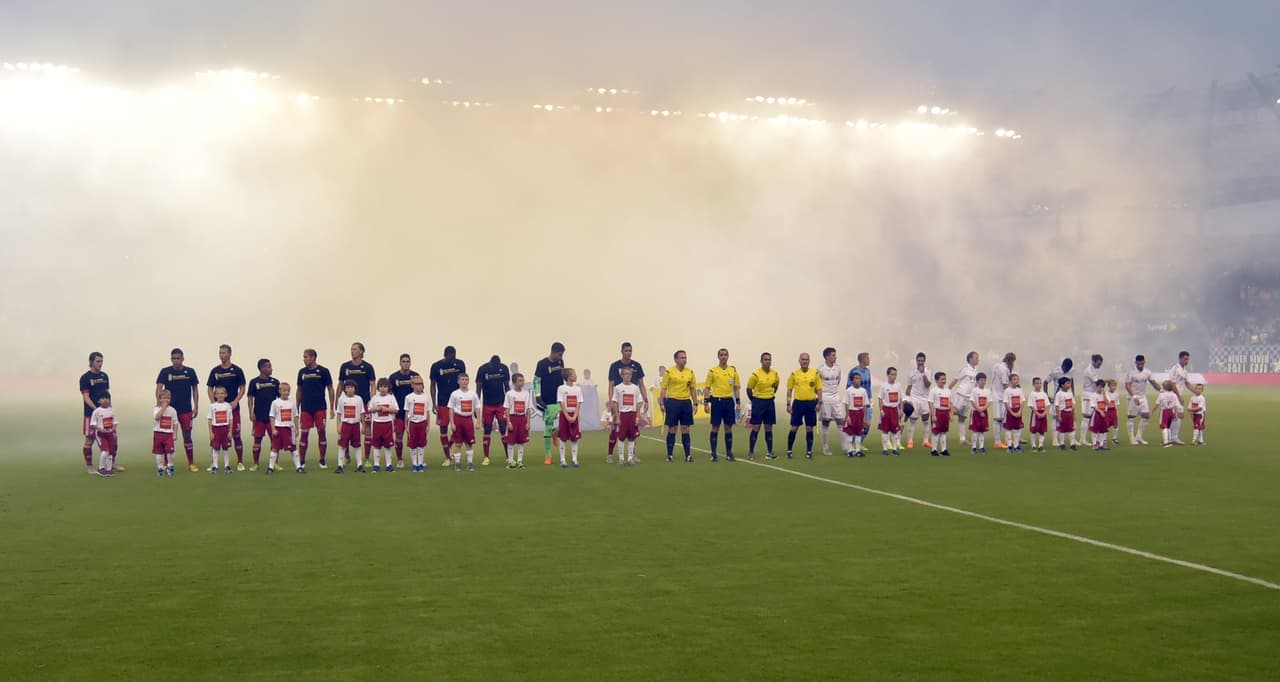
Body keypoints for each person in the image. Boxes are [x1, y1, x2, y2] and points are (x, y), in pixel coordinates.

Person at [155, 348, 200, 472]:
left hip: (185, 409)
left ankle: (191, 463)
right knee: (166, 436)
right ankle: (165, 463)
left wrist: (196, 406)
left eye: (178, 358)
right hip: (169, 410)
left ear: (182, 359)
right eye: (173, 358)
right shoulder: (165, 372)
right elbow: (159, 388)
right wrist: (160, 404)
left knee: (187, 435)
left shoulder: (190, 372)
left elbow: (195, 390)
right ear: (171, 359)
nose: (176, 361)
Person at [206, 344, 248, 470]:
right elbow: (209, 387)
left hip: (232, 409)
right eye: (220, 353)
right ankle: (214, 464)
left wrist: (236, 401)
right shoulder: (215, 371)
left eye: (224, 353)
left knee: (235, 434)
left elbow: (242, 387)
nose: (222, 355)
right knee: (216, 435)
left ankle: (240, 462)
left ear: (230, 354)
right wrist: (213, 402)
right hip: (219, 411)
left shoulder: (237, 370)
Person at [338, 342, 377, 468]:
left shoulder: (368, 367)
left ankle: (366, 459)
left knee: (367, 430)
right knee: (346, 429)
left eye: (355, 349)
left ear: (361, 351)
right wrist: (338, 399)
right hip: (347, 403)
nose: (352, 351)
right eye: (351, 349)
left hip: (364, 402)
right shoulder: (345, 366)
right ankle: (346, 457)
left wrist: (372, 400)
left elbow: (372, 384)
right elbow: (340, 384)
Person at [295, 349, 335, 471]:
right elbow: (299, 390)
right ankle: (302, 461)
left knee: (321, 432)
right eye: (304, 357)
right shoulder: (302, 372)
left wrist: (332, 407)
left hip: (320, 407)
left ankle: (322, 460)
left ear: (313, 357)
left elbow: (330, 389)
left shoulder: (323, 371)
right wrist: (297, 407)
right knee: (304, 434)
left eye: (306, 357)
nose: (304, 359)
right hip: (306, 408)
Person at [606, 343, 646, 463]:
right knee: (615, 429)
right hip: (619, 404)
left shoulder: (637, 366)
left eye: (630, 350)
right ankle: (610, 453)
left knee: (632, 431)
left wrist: (645, 399)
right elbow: (611, 385)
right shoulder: (614, 366)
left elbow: (641, 384)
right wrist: (612, 403)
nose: (628, 353)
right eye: (626, 350)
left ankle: (631, 455)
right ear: (621, 351)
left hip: (632, 405)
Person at [429, 346, 467, 465]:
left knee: (458, 429)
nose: (452, 359)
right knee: (443, 429)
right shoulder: (436, 366)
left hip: (457, 402)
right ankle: (447, 457)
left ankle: (449, 446)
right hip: (443, 402)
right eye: (450, 357)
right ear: (445, 355)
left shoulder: (460, 364)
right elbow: (433, 385)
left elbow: (463, 380)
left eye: (454, 356)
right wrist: (434, 403)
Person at [703, 348, 741, 462]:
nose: (723, 357)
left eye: (725, 355)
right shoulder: (712, 371)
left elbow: (736, 388)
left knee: (728, 427)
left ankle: (729, 453)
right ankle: (713, 453)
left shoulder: (733, 371)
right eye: (721, 355)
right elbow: (707, 388)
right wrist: (706, 403)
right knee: (715, 427)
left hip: (729, 401)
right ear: (718, 357)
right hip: (717, 401)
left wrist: (738, 403)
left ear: (728, 356)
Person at [660, 351, 697, 462]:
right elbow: (664, 389)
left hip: (685, 402)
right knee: (672, 428)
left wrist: (695, 403)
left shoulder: (690, 372)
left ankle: (688, 455)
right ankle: (670, 455)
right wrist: (662, 403)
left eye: (685, 357)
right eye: (681, 358)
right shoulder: (669, 372)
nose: (684, 360)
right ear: (676, 359)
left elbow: (693, 389)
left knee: (685, 428)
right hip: (672, 402)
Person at [533, 343, 566, 465]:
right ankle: (548, 456)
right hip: (548, 399)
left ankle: (555, 431)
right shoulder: (542, 364)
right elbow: (536, 380)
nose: (561, 356)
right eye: (560, 354)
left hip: (560, 397)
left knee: (568, 420)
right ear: (554, 352)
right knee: (548, 425)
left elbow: (562, 377)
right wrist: (538, 396)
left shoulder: (560, 362)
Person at [79, 352, 112, 474]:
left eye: (101, 361)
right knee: (89, 439)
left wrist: (109, 409)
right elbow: (86, 397)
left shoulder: (104, 376)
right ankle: (89, 467)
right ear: (91, 361)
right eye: (98, 361)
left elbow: (107, 394)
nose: (100, 364)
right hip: (91, 414)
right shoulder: (85, 378)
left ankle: (110, 465)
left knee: (110, 438)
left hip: (106, 415)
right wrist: (96, 409)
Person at [476, 354, 511, 467]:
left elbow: (507, 386)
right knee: (487, 430)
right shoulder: (483, 369)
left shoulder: (504, 368)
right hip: (487, 404)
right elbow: (478, 388)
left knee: (503, 428)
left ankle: (508, 457)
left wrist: (509, 402)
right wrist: (476, 406)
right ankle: (486, 457)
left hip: (501, 404)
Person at [245, 359, 280, 472]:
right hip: (259, 416)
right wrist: (251, 412)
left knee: (275, 441)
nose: (271, 369)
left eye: (271, 367)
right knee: (257, 441)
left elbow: (279, 399)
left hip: (272, 418)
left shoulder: (275, 382)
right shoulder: (254, 382)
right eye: (268, 367)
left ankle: (274, 463)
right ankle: (256, 463)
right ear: (262, 368)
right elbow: (250, 397)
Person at [388, 354, 422, 468]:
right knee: (399, 436)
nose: (406, 363)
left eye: (407, 361)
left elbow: (420, 392)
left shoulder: (415, 376)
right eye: (403, 361)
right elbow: (389, 395)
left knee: (416, 436)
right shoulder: (393, 377)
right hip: (400, 412)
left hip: (414, 412)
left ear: (410, 363)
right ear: (400, 363)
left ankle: (419, 460)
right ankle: (400, 459)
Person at [786, 352, 822, 459]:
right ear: (799, 361)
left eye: (806, 359)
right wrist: (788, 404)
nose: (804, 361)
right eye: (802, 359)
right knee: (794, 427)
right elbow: (789, 390)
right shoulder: (794, 374)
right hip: (798, 403)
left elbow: (819, 389)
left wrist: (819, 402)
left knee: (809, 428)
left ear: (809, 361)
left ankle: (809, 451)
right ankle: (789, 450)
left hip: (811, 403)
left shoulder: (815, 373)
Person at [746, 353, 780, 460]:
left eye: (769, 359)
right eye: (765, 359)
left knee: (768, 427)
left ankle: (770, 452)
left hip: (769, 402)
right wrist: (755, 400)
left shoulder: (775, 374)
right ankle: (751, 452)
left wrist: (769, 395)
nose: (768, 361)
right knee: (756, 427)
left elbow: (775, 387)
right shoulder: (755, 374)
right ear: (761, 361)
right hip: (758, 402)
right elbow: (749, 389)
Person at [611, 366, 646, 467]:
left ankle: (630, 458)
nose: (627, 376)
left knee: (632, 437)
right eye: (625, 374)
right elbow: (615, 402)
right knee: (621, 437)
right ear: (621, 375)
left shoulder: (635, 388)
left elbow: (639, 402)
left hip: (632, 414)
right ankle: (621, 458)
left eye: (629, 374)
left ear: (632, 375)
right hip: (623, 415)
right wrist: (617, 416)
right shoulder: (618, 388)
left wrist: (638, 416)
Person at [1123, 355, 1160, 446]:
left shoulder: (1147, 372)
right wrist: (1134, 397)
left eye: (1142, 363)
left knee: (1146, 416)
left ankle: (1139, 437)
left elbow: (1153, 383)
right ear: (1135, 362)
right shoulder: (1131, 372)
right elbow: (1127, 385)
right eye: (1139, 363)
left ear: (1144, 362)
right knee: (1131, 417)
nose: (1140, 365)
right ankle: (1132, 439)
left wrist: (1161, 390)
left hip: (1143, 397)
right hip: (1132, 397)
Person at [447, 373, 481, 471]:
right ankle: (457, 463)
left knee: (469, 443)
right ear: (458, 381)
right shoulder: (454, 394)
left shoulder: (473, 394)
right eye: (462, 379)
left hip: (468, 420)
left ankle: (470, 463)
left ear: (468, 381)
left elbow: (477, 408)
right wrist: (452, 423)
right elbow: (451, 409)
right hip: (458, 419)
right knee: (458, 443)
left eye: (466, 379)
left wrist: (478, 421)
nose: (464, 381)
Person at [334, 379, 366, 473]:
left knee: (357, 446)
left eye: (352, 387)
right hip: (345, 425)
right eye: (348, 387)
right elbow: (339, 414)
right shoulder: (341, 399)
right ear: (345, 389)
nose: (350, 389)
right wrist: (338, 425)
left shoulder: (359, 399)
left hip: (355, 425)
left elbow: (362, 413)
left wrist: (363, 425)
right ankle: (340, 465)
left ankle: (359, 465)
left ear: (355, 389)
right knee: (342, 445)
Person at [817, 347, 843, 457]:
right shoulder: (820, 369)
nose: (835, 357)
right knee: (826, 422)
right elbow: (817, 385)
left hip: (836, 397)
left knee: (840, 421)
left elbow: (838, 381)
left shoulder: (838, 368)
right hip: (825, 398)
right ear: (827, 357)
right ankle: (825, 447)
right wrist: (819, 399)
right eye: (833, 355)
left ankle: (846, 446)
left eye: (835, 355)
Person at [368, 378, 398, 472]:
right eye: (381, 386)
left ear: (388, 387)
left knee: (388, 445)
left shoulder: (391, 398)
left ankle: (389, 465)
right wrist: (377, 409)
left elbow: (396, 410)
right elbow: (369, 409)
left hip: (388, 424)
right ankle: (376, 465)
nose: (383, 388)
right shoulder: (375, 398)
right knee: (376, 445)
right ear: (378, 388)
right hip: (377, 424)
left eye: (385, 386)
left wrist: (386, 409)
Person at [504, 373, 534, 469]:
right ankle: (511, 461)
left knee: (522, 441)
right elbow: (507, 409)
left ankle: (520, 461)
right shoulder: (509, 394)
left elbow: (528, 409)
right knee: (511, 441)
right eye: (520, 381)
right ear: (514, 382)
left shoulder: (526, 394)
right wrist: (508, 422)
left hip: (522, 419)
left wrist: (528, 422)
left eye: (523, 380)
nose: (522, 382)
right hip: (513, 418)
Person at [556, 368, 585, 468]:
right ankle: (563, 460)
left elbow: (578, 403)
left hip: (575, 416)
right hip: (565, 416)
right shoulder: (561, 388)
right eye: (574, 374)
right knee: (563, 438)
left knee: (575, 439)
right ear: (568, 376)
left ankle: (574, 459)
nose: (576, 376)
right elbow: (561, 403)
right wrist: (567, 416)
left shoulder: (578, 389)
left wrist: (575, 415)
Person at [269, 382, 299, 474]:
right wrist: (273, 429)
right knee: (275, 448)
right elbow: (272, 416)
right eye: (284, 390)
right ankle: (270, 467)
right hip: (278, 428)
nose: (286, 392)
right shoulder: (275, 403)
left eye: (288, 391)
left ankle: (298, 467)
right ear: (280, 391)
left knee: (293, 448)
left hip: (289, 429)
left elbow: (295, 416)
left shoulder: (292, 403)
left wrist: (297, 428)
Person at [403, 376, 433, 472]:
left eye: (420, 384)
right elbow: (406, 413)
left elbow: (427, 412)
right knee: (413, 444)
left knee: (421, 444)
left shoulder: (426, 397)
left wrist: (428, 424)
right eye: (416, 384)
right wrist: (406, 426)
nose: (419, 386)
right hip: (412, 423)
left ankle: (420, 464)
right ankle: (414, 464)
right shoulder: (408, 397)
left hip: (422, 423)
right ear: (412, 385)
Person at [949, 351, 979, 444]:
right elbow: (955, 380)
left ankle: (962, 439)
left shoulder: (976, 371)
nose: (978, 360)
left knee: (962, 418)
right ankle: (938, 425)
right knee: (953, 412)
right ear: (970, 359)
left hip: (969, 398)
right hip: (961, 395)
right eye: (976, 358)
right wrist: (947, 390)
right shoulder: (964, 369)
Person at [904, 352, 932, 450]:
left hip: (925, 399)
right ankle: (910, 441)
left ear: (925, 361)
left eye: (922, 361)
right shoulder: (912, 373)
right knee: (912, 420)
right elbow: (908, 387)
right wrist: (906, 399)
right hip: (914, 399)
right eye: (919, 360)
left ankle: (925, 441)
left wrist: (923, 373)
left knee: (926, 421)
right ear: (916, 361)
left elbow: (928, 384)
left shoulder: (929, 371)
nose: (920, 362)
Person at [845, 352, 873, 442]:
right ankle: (852, 444)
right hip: (856, 402)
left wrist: (870, 398)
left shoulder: (868, 371)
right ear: (862, 360)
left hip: (867, 401)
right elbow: (848, 387)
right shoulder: (854, 371)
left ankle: (859, 443)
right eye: (867, 358)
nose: (869, 360)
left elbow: (869, 385)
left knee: (867, 424)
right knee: (855, 424)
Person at [841, 371, 870, 457]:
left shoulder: (863, 391)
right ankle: (850, 450)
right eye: (856, 378)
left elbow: (865, 405)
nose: (858, 380)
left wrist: (864, 417)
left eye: (859, 379)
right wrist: (847, 416)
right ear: (852, 380)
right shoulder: (849, 391)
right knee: (850, 432)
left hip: (860, 413)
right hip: (852, 413)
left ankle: (858, 450)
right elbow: (846, 403)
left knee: (859, 433)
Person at [207, 386, 235, 473]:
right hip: (216, 429)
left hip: (225, 429)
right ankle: (215, 466)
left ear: (226, 395)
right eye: (218, 393)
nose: (220, 395)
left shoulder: (228, 406)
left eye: (222, 393)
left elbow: (231, 419)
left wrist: (230, 431)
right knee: (215, 448)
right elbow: (210, 419)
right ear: (214, 395)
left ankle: (227, 466)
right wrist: (211, 432)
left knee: (226, 448)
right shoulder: (212, 406)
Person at [1167, 351, 1192, 445]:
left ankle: (1172, 437)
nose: (1187, 361)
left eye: (1188, 359)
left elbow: (1187, 383)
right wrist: (1179, 396)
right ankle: (1173, 437)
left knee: (1176, 416)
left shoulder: (1185, 371)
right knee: (1179, 415)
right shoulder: (1174, 369)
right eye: (1185, 359)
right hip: (1173, 395)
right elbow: (1172, 384)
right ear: (1180, 358)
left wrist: (1196, 391)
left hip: (1177, 395)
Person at [877, 367, 904, 456]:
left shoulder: (898, 385)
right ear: (888, 375)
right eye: (892, 374)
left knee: (895, 430)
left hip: (894, 410)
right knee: (885, 430)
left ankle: (895, 448)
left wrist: (901, 409)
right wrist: (881, 410)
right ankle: (885, 449)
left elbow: (901, 399)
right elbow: (880, 398)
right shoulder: (883, 386)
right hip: (886, 409)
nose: (894, 376)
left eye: (895, 374)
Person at [90, 391, 117, 476]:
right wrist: (100, 429)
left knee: (111, 451)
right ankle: (101, 468)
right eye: (102, 398)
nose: (105, 400)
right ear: (98, 401)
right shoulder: (97, 412)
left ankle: (109, 469)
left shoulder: (112, 410)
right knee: (105, 450)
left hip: (110, 433)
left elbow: (115, 422)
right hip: (101, 434)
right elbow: (93, 424)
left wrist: (113, 429)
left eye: (107, 398)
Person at [991, 353, 1015, 448]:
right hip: (1000, 396)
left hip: (996, 394)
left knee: (1002, 419)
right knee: (998, 420)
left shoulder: (997, 366)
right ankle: (997, 442)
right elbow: (1005, 385)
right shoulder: (1004, 369)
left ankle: (1005, 440)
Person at [1079, 354, 1104, 443]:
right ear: (1093, 361)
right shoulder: (1089, 370)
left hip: (1092, 395)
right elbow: (1097, 382)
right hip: (1087, 395)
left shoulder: (1093, 370)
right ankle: (1082, 439)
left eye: (1100, 364)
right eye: (1098, 363)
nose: (1099, 365)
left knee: (1091, 417)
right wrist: (1107, 381)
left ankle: (1091, 438)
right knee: (1086, 417)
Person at [153, 390, 178, 476]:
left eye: (167, 398)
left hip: (168, 434)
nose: (165, 400)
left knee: (170, 451)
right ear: (159, 399)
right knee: (159, 452)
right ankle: (160, 468)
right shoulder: (157, 408)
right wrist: (163, 408)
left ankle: (170, 466)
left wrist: (175, 434)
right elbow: (157, 417)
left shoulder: (173, 410)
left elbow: (175, 422)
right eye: (163, 398)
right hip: (158, 433)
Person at [927, 371, 953, 457]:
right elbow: (930, 403)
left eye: (945, 379)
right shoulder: (933, 391)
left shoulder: (948, 391)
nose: (944, 381)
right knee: (936, 432)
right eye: (942, 379)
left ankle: (943, 449)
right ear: (936, 380)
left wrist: (951, 414)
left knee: (943, 432)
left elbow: (951, 403)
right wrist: (933, 414)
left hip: (945, 413)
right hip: (937, 412)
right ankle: (934, 450)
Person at [969, 372, 992, 454]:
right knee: (975, 430)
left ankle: (982, 447)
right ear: (977, 381)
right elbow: (972, 401)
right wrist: (979, 410)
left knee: (982, 431)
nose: (983, 382)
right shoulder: (974, 390)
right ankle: (974, 447)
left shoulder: (988, 391)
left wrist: (983, 409)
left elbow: (989, 402)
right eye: (981, 380)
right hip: (975, 412)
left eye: (984, 380)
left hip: (984, 412)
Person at [1156, 380, 1183, 448]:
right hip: (1171, 409)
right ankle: (1170, 439)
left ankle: (1168, 441)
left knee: (1165, 426)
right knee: (1168, 425)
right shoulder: (1173, 394)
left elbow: (1157, 403)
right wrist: (1177, 412)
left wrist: (1152, 412)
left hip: (1166, 410)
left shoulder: (1163, 394)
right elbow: (1177, 404)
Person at [1053, 378, 1078, 451]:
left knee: (1071, 429)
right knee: (1062, 429)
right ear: (1062, 385)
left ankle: (1072, 444)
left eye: (1069, 383)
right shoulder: (1059, 394)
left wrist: (1074, 413)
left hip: (1069, 413)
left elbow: (1073, 404)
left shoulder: (1070, 393)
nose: (1069, 385)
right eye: (1067, 383)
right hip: (1063, 413)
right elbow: (1057, 405)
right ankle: (1062, 444)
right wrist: (1058, 415)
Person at [1003, 373, 1025, 453]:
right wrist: (1012, 412)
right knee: (1009, 429)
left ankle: (1016, 445)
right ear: (1010, 381)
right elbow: (1006, 403)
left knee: (1017, 429)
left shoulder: (1020, 390)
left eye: (1017, 379)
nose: (1016, 381)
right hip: (1010, 412)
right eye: (1014, 379)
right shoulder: (1007, 391)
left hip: (1018, 411)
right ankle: (1009, 446)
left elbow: (1022, 401)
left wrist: (1019, 411)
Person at [1086, 379, 1110, 451]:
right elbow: (1093, 406)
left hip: (1104, 414)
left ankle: (1102, 444)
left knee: (1103, 430)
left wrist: (1104, 394)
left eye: (1102, 387)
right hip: (1097, 414)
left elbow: (1108, 403)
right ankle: (1094, 444)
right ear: (1096, 387)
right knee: (1095, 430)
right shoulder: (1093, 395)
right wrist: (1100, 412)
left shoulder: (1105, 395)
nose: (1101, 388)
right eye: (1099, 387)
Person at [1028, 376, 1050, 453]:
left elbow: (1047, 404)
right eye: (1037, 383)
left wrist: (1044, 413)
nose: (1039, 385)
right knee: (1033, 430)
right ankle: (1034, 445)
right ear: (1033, 384)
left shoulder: (1044, 394)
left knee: (1042, 430)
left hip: (1043, 414)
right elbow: (1031, 405)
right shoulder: (1032, 394)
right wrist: (1037, 413)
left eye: (1040, 383)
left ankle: (1040, 445)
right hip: (1035, 415)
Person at [1188, 381, 1207, 445]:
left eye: (1200, 389)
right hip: (1194, 414)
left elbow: (1200, 408)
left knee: (1196, 427)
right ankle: (1201, 441)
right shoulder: (1192, 398)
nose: (1198, 390)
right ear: (1194, 389)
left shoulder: (1202, 398)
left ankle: (1194, 440)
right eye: (1197, 388)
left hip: (1199, 415)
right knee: (1199, 427)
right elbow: (1189, 406)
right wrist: (1191, 413)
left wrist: (1190, 409)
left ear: (1202, 390)